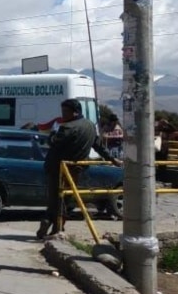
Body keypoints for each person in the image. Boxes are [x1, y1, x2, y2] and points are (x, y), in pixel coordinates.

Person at [38, 99, 122, 240]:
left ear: (75, 112)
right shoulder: (89, 125)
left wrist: (52, 134)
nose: (63, 115)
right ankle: (57, 227)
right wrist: (112, 159)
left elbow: (53, 143)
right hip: (76, 169)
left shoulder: (67, 127)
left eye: (65, 112)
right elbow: (99, 146)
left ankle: (49, 225)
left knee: (56, 199)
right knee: (65, 198)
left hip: (58, 169)